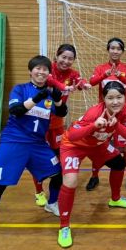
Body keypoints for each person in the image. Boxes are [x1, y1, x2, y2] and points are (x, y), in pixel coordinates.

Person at [0, 55, 67, 237]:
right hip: (14, 142)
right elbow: (16, 110)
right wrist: (37, 98)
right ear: (30, 71)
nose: (41, 72)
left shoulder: (49, 93)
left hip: (37, 144)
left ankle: (52, 203)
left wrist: (58, 99)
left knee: (58, 172)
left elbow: (61, 112)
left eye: (45, 69)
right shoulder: (20, 89)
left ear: (49, 73)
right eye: (38, 68)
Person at [57, 81, 126, 248]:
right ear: (103, 99)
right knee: (70, 181)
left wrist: (117, 126)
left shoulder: (125, 110)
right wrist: (93, 126)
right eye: (110, 98)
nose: (115, 102)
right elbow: (72, 136)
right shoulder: (94, 113)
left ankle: (115, 199)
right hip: (74, 146)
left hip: (97, 145)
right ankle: (64, 226)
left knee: (118, 163)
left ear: (125, 98)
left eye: (119, 97)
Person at [31, 44, 91, 207]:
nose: (66, 61)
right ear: (56, 57)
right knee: (39, 158)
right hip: (40, 121)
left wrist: (83, 84)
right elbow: (52, 82)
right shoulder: (48, 70)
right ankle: (38, 192)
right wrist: (65, 87)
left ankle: (55, 194)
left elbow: (79, 80)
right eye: (63, 57)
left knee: (58, 158)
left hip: (57, 123)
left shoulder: (72, 74)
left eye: (70, 58)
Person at [86, 38, 126, 192]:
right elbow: (92, 82)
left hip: (122, 115)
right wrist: (104, 75)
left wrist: (120, 75)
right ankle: (94, 176)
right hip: (103, 114)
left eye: (118, 48)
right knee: (99, 145)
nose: (115, 51)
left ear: (122, 51)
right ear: (108, 50)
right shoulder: (101, 68)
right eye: (112, 48)